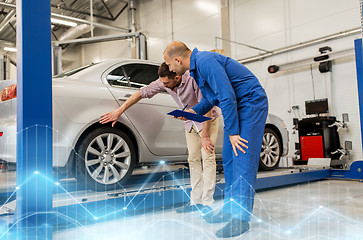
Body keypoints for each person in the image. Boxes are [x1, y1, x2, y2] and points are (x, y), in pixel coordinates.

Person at [163, 41, 268, 238]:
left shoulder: (205, 60)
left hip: (251, 103)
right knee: (229, 159)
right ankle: (230, 210)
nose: (170, 69)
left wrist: (234, 132)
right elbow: (211, 99)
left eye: (169, 65)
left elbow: (227, 95)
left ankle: (241, 220)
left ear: (177, 59)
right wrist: (193, 112)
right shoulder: (196, 70)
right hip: (237, 106)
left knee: (242, 160)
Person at [99, 62, 220, 215]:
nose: (164, 86)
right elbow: (141, 93)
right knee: (193, 160)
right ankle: (195, 201)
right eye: (162, 83)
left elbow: (206, 107)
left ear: (177, 77)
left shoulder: (193, 79)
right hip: (190, 121)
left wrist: (205, 137)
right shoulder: (165, 82)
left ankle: (208, 202)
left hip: (208, 120)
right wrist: (119, 111)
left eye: (166, 83)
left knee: (207, 158)